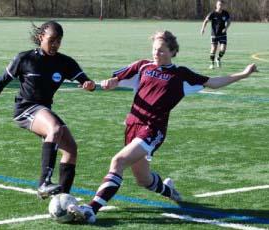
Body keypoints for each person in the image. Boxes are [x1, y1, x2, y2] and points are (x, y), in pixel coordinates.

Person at [67, 30, 257, 224]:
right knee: (143, 179)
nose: (156, 54)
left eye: (161, 51)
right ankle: (170, 191)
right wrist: (110, 83)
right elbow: (117, 79)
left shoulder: (180, 74)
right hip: (132, 125)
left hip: (152, 129)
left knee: (118, 161)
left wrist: (243, 74)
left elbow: (213, 82)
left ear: (173, 52)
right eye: (154, 49)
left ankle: (91, 210)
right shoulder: (142, 66)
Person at [0, 21, 96, 199]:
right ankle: (43, 184)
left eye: (59, 41)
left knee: (71, 148)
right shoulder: (25, 58)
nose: (55, 45)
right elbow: (1, 82)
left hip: (43, 110)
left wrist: (90, 85)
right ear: (41, 37)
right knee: (54, 129)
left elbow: (88, 83)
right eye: (52, 40)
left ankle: (63, 198)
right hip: (25, 109)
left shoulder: (65, 62)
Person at [201, 0, 231, 69]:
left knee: (223, 49)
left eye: (222, 5)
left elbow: (229, 21)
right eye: (219, 4)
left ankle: (218, 59)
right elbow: (206, 21)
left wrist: (226, 28)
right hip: (214, 34)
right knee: (213, 48)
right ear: (216, 5)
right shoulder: (212, 13)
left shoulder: (225, 13)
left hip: (223, 34)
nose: (220, 6)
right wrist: (203, 29)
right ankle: (212, 64)